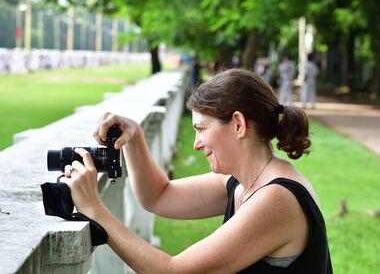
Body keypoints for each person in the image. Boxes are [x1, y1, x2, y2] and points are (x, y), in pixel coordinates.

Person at [60, 69, 333, 273]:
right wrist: (133, 138)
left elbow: (173, 271)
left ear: (238, 124)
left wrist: (94, 209)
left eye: (202, 129)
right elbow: (158, 196)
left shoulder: (277, 199)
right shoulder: (242, 182)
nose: (196, 144)